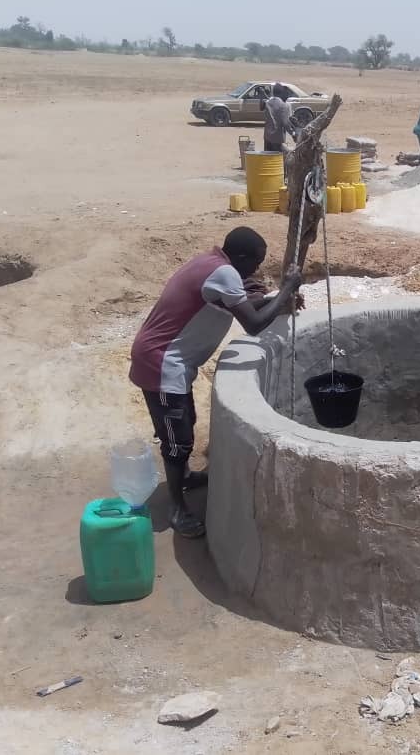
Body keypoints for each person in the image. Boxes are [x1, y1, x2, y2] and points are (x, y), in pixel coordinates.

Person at [129, 227, 303, 538]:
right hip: (162, 362)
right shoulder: (224, 274)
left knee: (185, 421)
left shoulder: (211, 263)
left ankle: (183, 477)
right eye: (256, 262)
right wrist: (288, 289)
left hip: (169, 360)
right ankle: (177, 509)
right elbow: (252, 324)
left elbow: (246, 307)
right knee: (177, 440)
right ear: (241, 257)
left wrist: (278, 300)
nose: (257, 269)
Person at [263, 83, 297, 152]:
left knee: (267, 159)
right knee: (280, 159)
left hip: (267, 137)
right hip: (277, 139)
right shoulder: (284, 105)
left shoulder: (267, 103)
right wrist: (293, 133)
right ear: (281, 93)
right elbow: (286, 123)